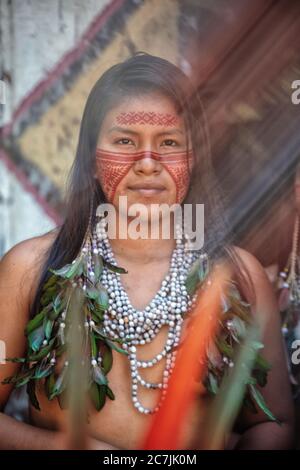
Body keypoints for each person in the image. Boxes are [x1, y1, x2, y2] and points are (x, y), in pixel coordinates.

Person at [0, 52, 294, 450]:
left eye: (170, 143)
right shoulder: (31, 269)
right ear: (90, 160)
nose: (148, 163)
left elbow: (274, 424)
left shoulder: (238, 276)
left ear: (193, 159)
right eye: (125, 141)